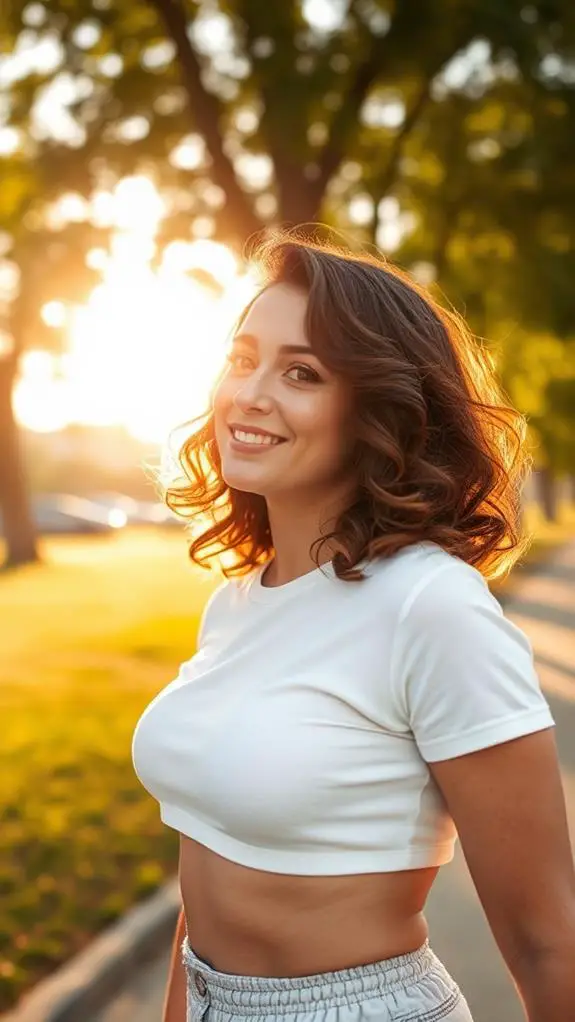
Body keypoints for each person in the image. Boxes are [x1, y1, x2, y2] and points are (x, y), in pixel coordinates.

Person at [132, 232, 575, 1022]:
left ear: (378, 406)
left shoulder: (429, 607)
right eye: (242, 359)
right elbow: (202, 883)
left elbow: (549, 940)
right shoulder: (235, 602)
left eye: (301, 372)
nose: (251, 394)